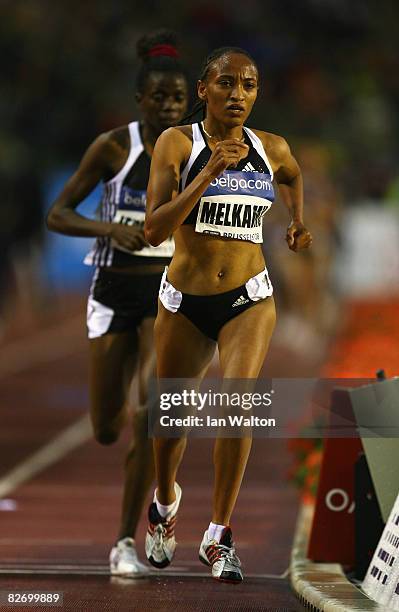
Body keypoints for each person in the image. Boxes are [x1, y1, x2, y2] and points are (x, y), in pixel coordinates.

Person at [144, 46, 312, 583]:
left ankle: (218, 534)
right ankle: (165, 505)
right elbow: (154, 230)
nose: (238, 94)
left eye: (249, 85)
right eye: (226, 84)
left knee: (237, 405)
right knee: (172, 424)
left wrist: (296, 221)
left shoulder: (272, 147)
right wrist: (210, 171)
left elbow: (291, 174)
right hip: (187, 303)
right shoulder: (178, 143)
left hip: (249, 298)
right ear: (203, 90)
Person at [46, 30, 188, 576]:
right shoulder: (114, 147)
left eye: (178, 98)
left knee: (153, 414)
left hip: (166, 294)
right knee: (106, 426)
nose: (170, 107)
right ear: (140, 100)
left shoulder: (196, 151)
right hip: (112, 290)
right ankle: (117, 421)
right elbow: (57, 214)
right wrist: (109, 228)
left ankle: (124, 541)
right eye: (160, 98)